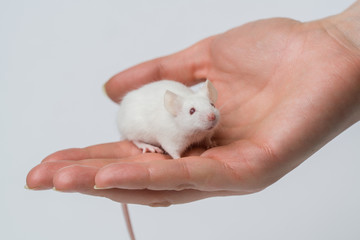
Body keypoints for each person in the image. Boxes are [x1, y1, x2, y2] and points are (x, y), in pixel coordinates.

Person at [26, 1, 360, 207]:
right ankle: (140, 142)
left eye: (207, 106)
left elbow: (204, 127)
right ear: (176, 110)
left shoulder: (202, 112)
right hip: (143, 124)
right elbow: (175, 141)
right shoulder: (170, 122)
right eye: (194, 111)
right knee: (133, 112)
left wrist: (345, 41)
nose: (211, 114)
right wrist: (174, 156)